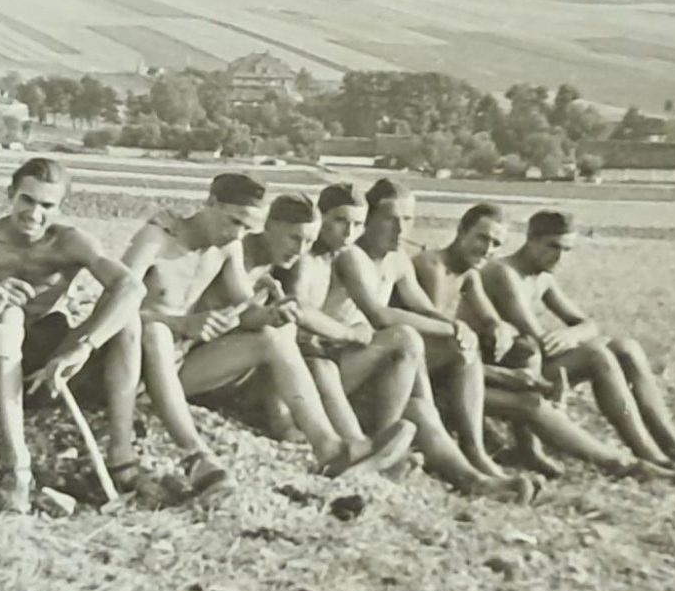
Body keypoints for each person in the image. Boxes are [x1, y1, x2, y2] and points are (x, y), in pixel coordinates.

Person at [122, 174, 415, 496]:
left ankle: (330, 448)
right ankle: (242, 439)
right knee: (159, 332)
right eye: (233, 221)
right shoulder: (162, 240)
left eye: (247, 227)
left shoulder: (228, 248)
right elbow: (115, 309)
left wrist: (271, 315)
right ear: (211, 204)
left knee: (275, 337)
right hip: (142, 363)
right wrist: (181, 324)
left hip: (185, 363)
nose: (237, 233)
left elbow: (244, 309)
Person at [413, 203, 675, 481]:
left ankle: (669, 450)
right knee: (585, 362)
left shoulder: (477, 274)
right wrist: (515, 373)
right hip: (455, 379)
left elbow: (568, 325)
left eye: (495, 243)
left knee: (625, 349)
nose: (488, 249)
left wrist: (566, 334)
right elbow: (442, 349)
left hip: (484, 370)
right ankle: (634, 460)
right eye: (553, 247)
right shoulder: (484, 271)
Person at [311, 182, 537, 501]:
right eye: (391, 218)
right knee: (405, 337)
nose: (401, 228)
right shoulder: (352, 255)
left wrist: (457, 328)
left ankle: (475, 474)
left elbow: (423, 308)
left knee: (424, 401)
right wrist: (450, 330)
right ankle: (385, 448)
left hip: (360, 360)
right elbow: (380, 316)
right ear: (370, 217)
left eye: (409, 219)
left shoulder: (397, 259)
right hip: (331, 363)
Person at [0, 158, 147, 513]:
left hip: (45, 358)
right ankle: (17, 466)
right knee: (8, 315)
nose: (34, 214)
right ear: (11, 194)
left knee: (129, 322)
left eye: (47, 205)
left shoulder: (69, 242)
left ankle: (122, 453)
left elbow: (130, 286)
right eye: (27, 200)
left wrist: (84, 347)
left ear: (60, 207)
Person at [480, 210, 675, 473]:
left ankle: (674, 448)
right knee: (595, 355)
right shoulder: (504, 273)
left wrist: (573, 333)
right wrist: (576, 338)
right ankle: (651, 457)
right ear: (530, 240)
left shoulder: (542, 277)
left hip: (532, 363)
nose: (559, 257)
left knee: (627, 348)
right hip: (503, 374)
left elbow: (587, 323)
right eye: (552, 246)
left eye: (567, 249)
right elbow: (536, 339)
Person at [197, 192, 417, 469]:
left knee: (318, 363)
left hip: (230, 366)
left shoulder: (272, 263)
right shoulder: (237, 253)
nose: (300, 250)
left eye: (309, 242)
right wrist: (342, 333)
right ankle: (315, 440)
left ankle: (359, 448)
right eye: (294, 238)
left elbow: (248, 313)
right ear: (269, 225)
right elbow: (227, 316)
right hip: (197, 366)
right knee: (276, 336)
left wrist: (269, 312)